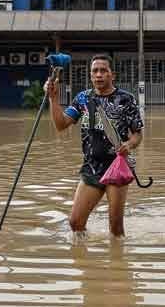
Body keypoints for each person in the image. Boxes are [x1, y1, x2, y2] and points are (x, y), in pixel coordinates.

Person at [45, 54, 144, 237]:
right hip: (91, 167)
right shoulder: (82, 98)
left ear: (111, 75)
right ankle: (84, 259)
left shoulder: (126, 100)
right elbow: (61, 125)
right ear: (90, 75)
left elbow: (138, 135)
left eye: (103, 71)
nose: (99, 75)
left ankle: (117, 261)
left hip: (117, 166)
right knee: (75, 222)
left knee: (115, 228)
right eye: (95, 71)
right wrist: (53, 98)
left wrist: (129, 145)